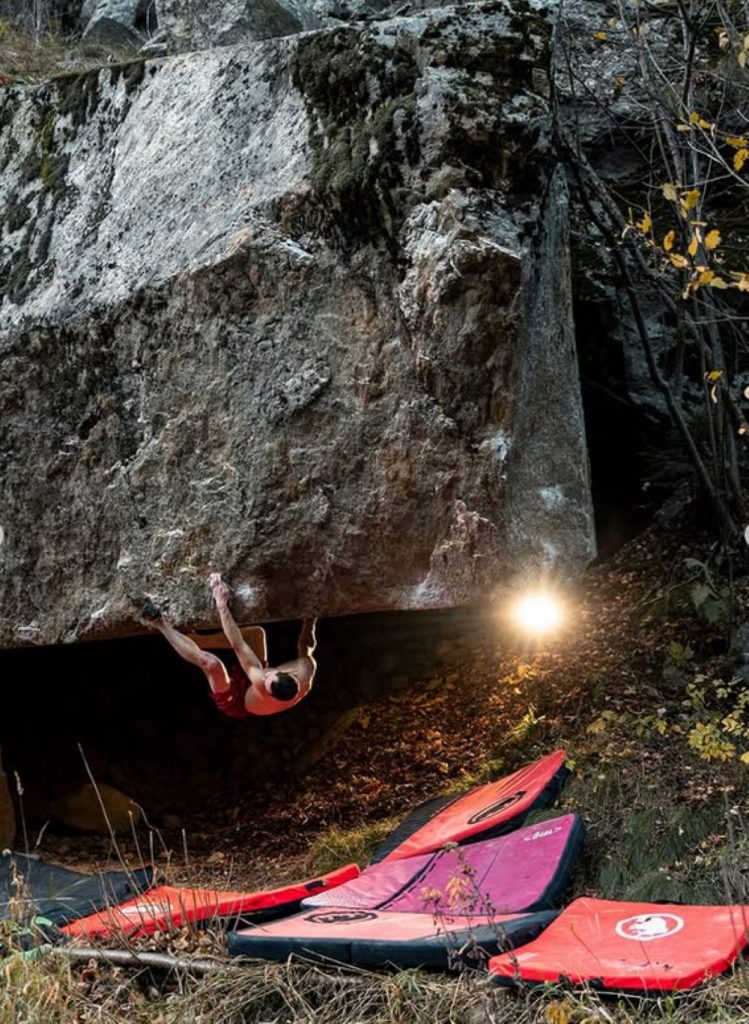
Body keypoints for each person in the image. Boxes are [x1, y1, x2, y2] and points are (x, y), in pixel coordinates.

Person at [142, 573, 317, 718]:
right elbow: (307, 645)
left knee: (211, 664)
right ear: (282, 672)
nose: (265, 676)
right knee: (257, 634)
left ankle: (159, 623)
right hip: (255, 685)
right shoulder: (305, 670)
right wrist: (311, 619)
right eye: (268, 675)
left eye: (266, 682)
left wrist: (221, 603)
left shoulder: (259, 681)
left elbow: (237, 644)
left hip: (238, 702)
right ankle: (199, 640)